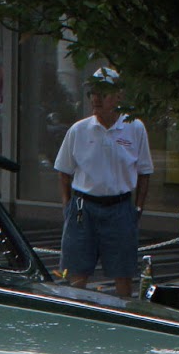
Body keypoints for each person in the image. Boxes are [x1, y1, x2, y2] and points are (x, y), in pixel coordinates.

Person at [53, 66, 153, 299]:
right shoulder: (79, 130)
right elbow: (64, 171)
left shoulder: (134, 127)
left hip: (119, 207)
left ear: (118, 95)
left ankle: (122, 324)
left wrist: (137, 208)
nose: (96, 98)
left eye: (103, 93)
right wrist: (67, 205)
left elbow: (145, 172)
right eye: (92, 93)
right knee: (76, 272)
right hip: (82, 207)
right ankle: (74, 319)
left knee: (123, 272)